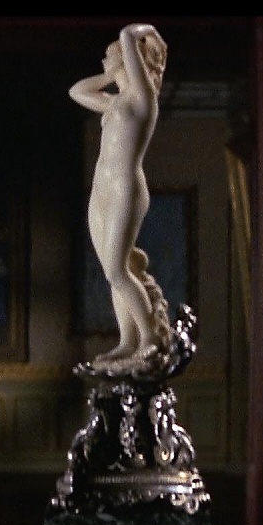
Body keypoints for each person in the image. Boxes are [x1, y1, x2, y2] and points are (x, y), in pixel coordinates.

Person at [69, 22, 172, 369]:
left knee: (117, 270)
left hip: (126, 187)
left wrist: (144, 31)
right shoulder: (113, 103)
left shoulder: (143, 100)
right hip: (102, 189)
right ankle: (127, 341)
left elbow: (128, 35)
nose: (104, 61)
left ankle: (150, 338)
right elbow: (76, 91)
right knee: (114, 271)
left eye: (109, 57)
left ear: (131, 61)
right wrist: (108, 73)